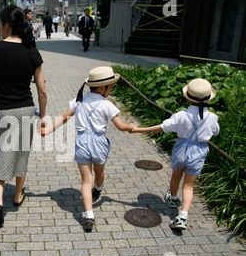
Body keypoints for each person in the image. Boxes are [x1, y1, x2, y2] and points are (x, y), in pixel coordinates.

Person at [41, 67, 136, 232]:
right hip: (98, 143)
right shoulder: (107, 105)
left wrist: (48, 130)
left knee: (86, 181)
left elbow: (64, 118)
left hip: (81, 143)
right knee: (99, 172)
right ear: (102, 88)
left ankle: (89, 215)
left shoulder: (80, 100)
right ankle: (98, 189)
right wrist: (130, 126)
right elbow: (121, 126)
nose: (111, 89)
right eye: (110, 86)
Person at [0, 6, 48, 227]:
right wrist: (42, 116)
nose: (0, 28)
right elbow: (42, 90)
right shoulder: (32, 51)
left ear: (6, 25)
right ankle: (17, 196)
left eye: (0, 25)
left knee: (2, 155)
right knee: (21, 154)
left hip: (3, 111)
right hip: (26, 110)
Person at [130, 78, 219, 230]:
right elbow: (215, 132)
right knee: (189, 185)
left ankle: (173, 199)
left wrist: (139, 129)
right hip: (199, 151)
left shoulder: (181, 115)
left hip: (181, 148)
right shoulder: (212, 117)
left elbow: (162, 127)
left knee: (176, 176)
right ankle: (183, 216)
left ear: (188, 97)